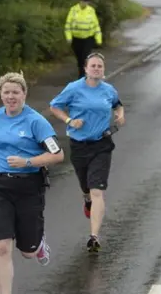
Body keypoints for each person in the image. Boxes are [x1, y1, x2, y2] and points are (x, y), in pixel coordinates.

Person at [0, 72, 64, 294]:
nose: (11, 97)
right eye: (6, 92)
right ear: (0, 94)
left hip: (29, 188)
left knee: (27, 251)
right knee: (2, 246)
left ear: (24, 94)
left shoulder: (36, 121)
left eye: (16, 92)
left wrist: (28, 161)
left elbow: (57, 155)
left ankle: (38, 244)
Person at [49, 52, 125, 252]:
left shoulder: (108, 90)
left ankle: (94, 236)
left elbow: (118, 104)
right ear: (85, 69)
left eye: (100, 66)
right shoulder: (73, 89)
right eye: (93, 66)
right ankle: (86, 198)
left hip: (102, 144)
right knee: (86, 187)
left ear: (103, 69)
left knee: (97, 190)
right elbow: (54, 107)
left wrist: (120, 115)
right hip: (79, 145)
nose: (97, 69)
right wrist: (69, 121)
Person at [65, 0, 103, 78]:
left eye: (87, 1)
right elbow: (68, 25)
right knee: (79, 58)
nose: (85, 3)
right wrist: (69, 37)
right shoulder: (73, 10)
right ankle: (81, 70)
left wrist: (98, 39)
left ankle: (83, 76)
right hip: (76, 39)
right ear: (79, 1)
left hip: (88, 38)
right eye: (83, 1)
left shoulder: (91, 11)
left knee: (85, 57)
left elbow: (96, 25)